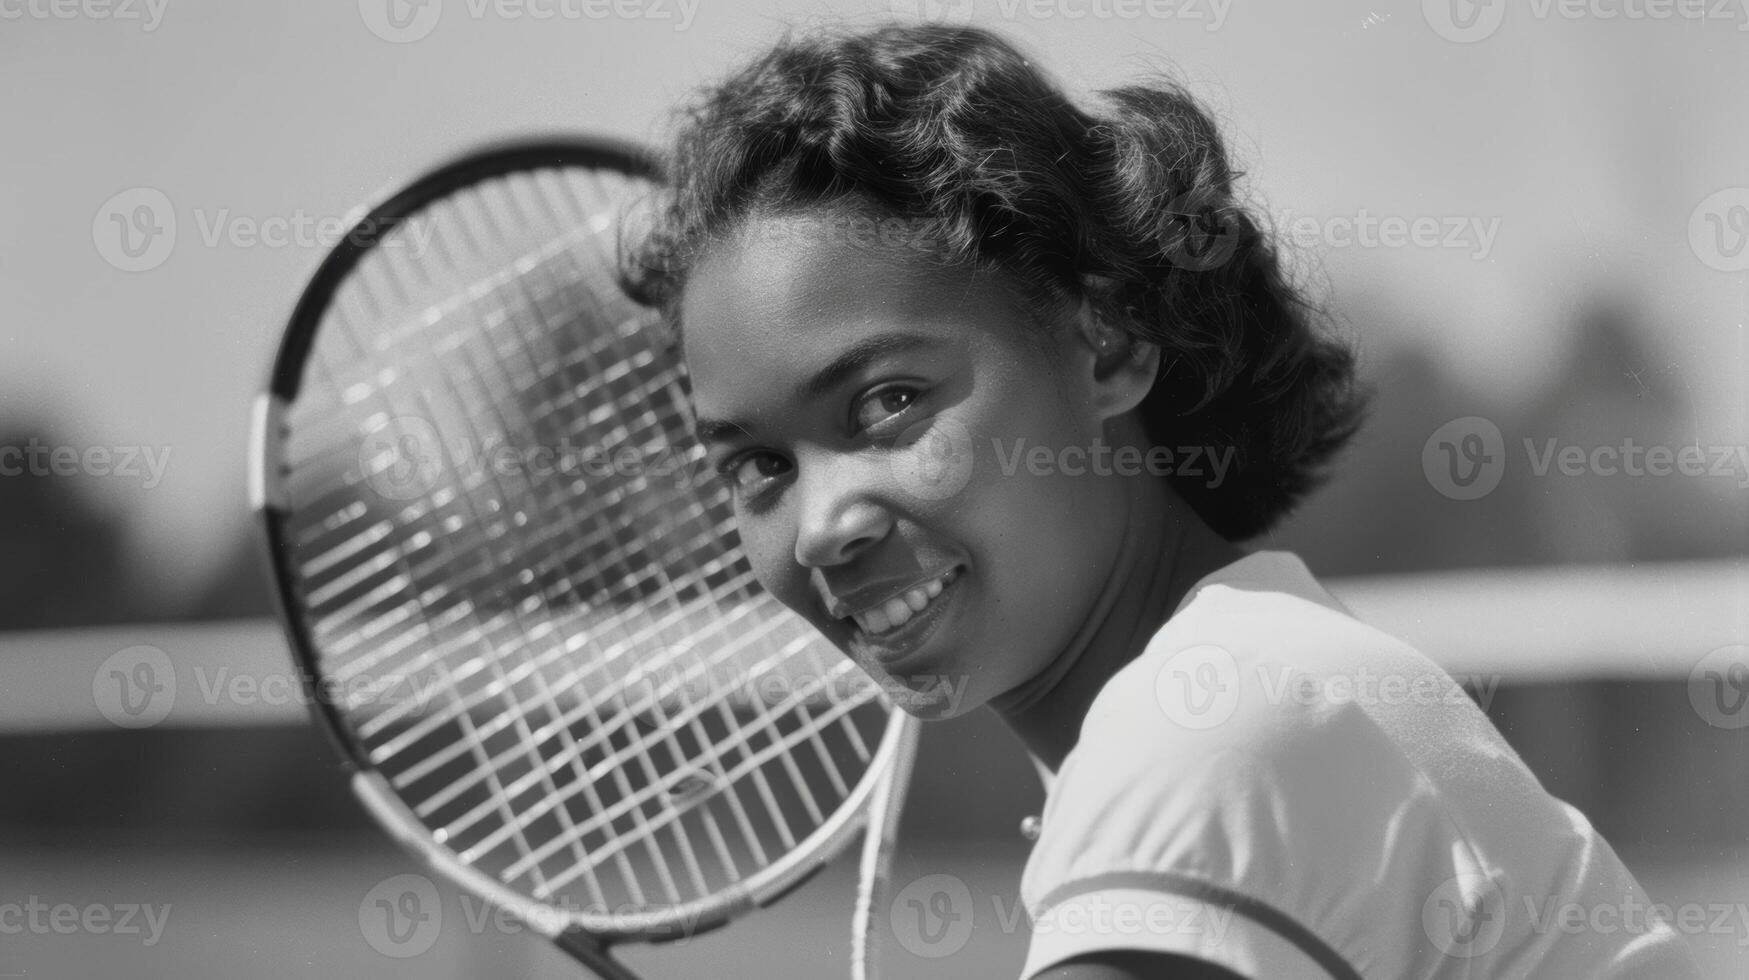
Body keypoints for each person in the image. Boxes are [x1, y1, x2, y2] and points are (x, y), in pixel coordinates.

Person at [621, 22, 1701, 980]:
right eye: (757, 465)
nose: (821, 524)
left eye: (891, 399)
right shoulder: (1247, 683)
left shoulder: (1211, 730)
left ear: (1108, 341)